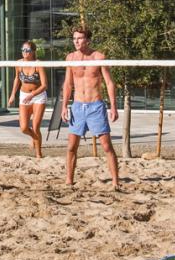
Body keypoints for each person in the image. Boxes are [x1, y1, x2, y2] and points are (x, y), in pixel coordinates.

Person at [57, 24, 122, 191]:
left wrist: (113, 107)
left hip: (96, 106)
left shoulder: (98, 57)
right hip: (77, 106)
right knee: (71, 147)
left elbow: (109, 82)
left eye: (79, 38)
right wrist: (64, 106)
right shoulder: (70, 58)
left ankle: (115, 182)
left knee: (107, 146)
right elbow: (68, 84)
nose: (76, 41)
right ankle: (69, 181)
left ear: (87, 39)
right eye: (74, 38)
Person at [7, 41, 48, 158]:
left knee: (35, 127)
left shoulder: (38, 64)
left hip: (38, 96)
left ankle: (38, 153)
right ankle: (35, 138)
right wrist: (12, 94)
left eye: (28, 50)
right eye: (23, 50)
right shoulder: (19, 63)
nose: (25, 52)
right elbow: (17, 79)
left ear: (33, 51)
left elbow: (45, 85)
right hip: (24, 95)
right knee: (24, 128)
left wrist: (33, 94)